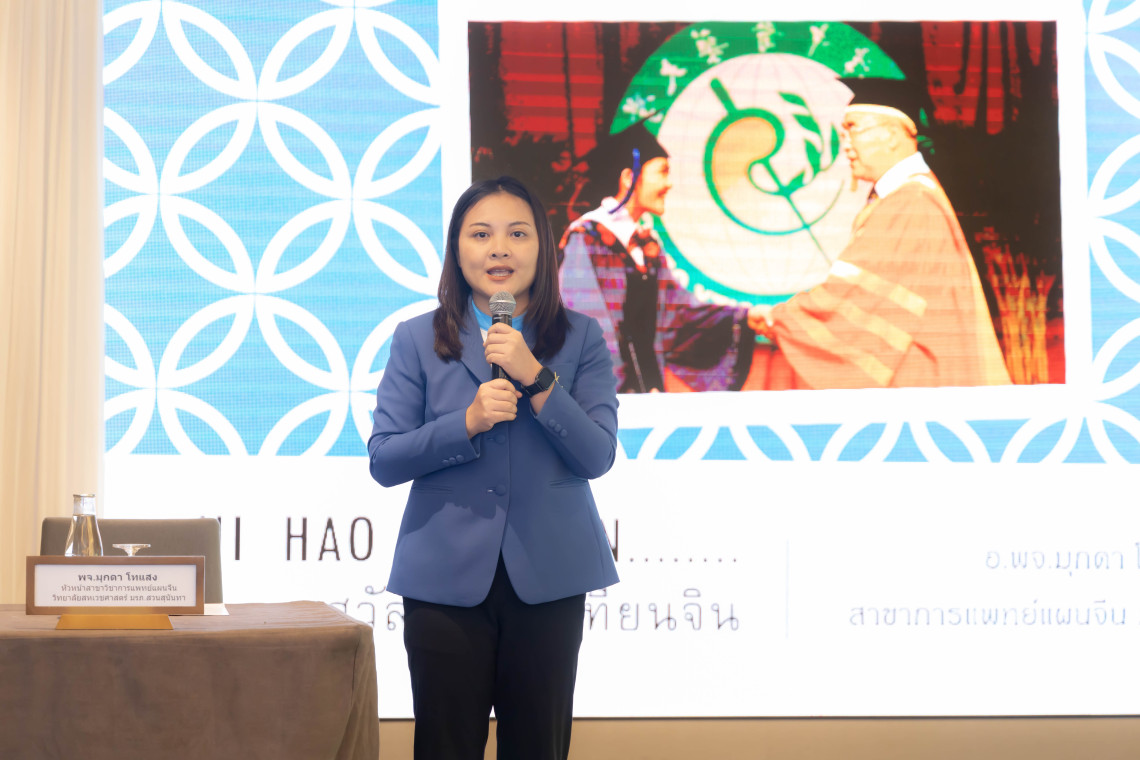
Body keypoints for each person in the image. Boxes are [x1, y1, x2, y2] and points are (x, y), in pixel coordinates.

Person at [367, 176, 619, 759]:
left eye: (517, 234)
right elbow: (384, 458)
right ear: (457, 250)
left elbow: (597, 455)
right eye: (481, 234)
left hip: (550, 574)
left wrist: (537, 377)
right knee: (445, 744)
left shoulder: (581, 337)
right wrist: (466, 422)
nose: (499, 249)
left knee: (538, 746)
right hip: (444, 578)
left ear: (543, 247)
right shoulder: (417, 338)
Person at [753, 85, 1011, 389]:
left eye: (853, 129)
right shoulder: (912, 195)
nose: (845, 145)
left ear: (891, 134)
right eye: (843, 133)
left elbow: (853, 300)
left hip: (921, 376)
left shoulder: (911, 202)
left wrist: (779, 319)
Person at [559, 123, 766, 392]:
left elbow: (679, 315)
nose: (669, 184)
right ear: (629, 178)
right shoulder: (588, 238)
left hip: (648, 392)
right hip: (605, 395)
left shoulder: (647, 247)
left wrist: (743, 318)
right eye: (662, 172)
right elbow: (586, 325)